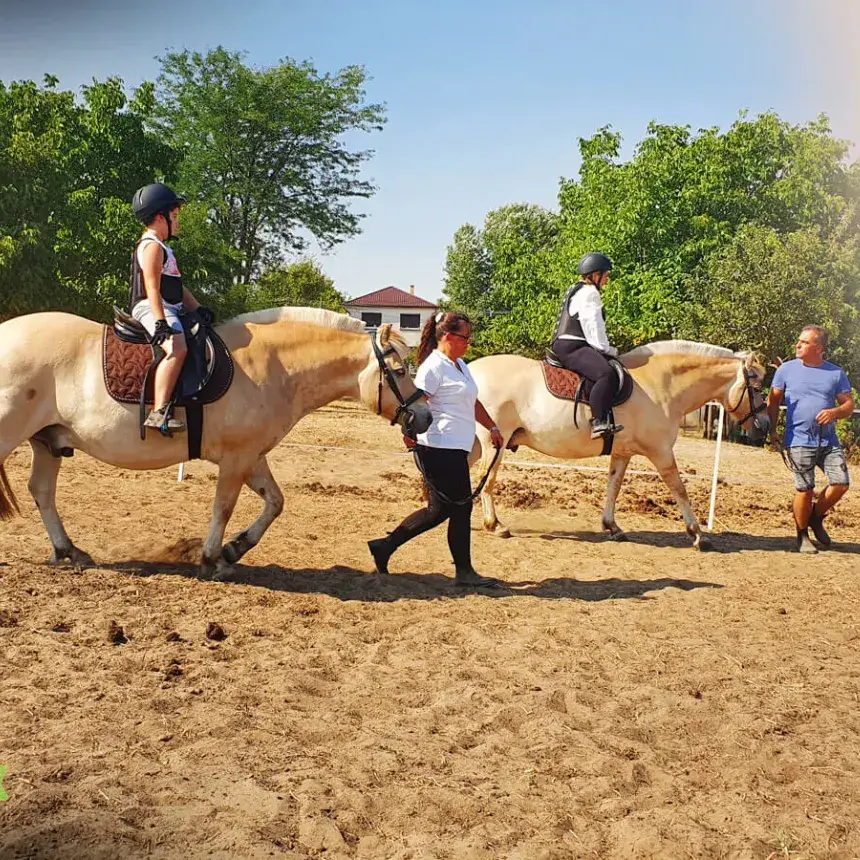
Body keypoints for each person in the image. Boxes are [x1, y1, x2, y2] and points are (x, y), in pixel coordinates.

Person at [367, 312, 505, 588]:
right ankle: (464, 572)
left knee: (439, 511)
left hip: (455, 448)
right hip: (437, 446)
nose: (469, 342)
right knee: (456, 509)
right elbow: (415, 406)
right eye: (465, 337)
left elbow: (472, 401)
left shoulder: (459, 365)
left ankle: (385, 546)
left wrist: (492, 427)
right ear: (448, 337)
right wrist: (408, 434)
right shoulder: (434, 368)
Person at [767, 325, 854, 553]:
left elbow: (848, 405)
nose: (798, 345)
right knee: (804, 489)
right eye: (799, 341)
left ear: (818, 348)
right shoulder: (785, 370)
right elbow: (773, 402)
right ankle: (802, 535)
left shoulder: (835, 373)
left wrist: (834, 412)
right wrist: (773, 431)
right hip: (798, 439)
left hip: (828, 441)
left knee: (841, 484)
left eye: (804, 343)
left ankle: (815, 517)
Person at [129, 183, 209, 432]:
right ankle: (159, 411)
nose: (177, 222)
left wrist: (198, 309)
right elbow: (152, 287)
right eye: (174, 217)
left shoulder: (165, 248)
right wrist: (161, 321)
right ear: (160, 217)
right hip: (150, 307)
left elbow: (178, 288)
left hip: (167, 306)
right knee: (177, 347)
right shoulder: (151, 246)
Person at [551, 252, 624, 439]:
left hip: (565, 343)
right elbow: (594, 328)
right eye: (605, 276)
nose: (607, 280)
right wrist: (608, 350)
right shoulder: (590, 293)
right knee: (606, 374)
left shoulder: (577, 289)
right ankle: (599, 421)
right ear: (595, 275)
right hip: (573, 345)